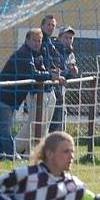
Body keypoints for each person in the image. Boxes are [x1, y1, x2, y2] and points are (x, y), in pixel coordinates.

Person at [0, 29, 52, 160]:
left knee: (1, 126)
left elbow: (39, 71)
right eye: (34, 40)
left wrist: (50, 73)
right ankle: (12, 156)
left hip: (10, 97)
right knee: (5, 128)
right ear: (27, 40)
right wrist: (51, 75)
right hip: (4, 95)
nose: (37, 43)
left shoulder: (35, 54)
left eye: (39, 41)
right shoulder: (24, 54)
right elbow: (33, 74)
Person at [15, 17, 64, 156]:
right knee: (34, 123)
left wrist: (58, 72)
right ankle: (13, 148)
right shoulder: (34, 46)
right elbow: (34, 70)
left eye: (53, 25)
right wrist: (50, 74)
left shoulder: (51, 44)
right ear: (42, 25)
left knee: (45, 125)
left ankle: (32, 152)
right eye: (48, 24)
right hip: (37, 90)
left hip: (50, 88)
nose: (51, 27)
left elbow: (57, 64)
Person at [49, 26, 80, 133]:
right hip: (50, 88)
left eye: (71, 38)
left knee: (61, 114)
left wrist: (73, 71)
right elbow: (53, 69)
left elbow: (69, 71)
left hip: (61, 89)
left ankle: (58, 141)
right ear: (59, 38)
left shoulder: (70, 53)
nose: (69, 40)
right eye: (66, 38)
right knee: (54, 116)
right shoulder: (53, 49)